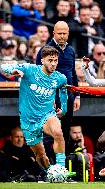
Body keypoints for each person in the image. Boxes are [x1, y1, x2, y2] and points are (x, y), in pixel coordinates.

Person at [0, 45, 73, 180]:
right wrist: (13, 70)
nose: (53, 63)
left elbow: (63, 92)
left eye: (55, 60)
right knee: (41, 156)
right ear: (42, 60)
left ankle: (61, 168)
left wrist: (64, 109)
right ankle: (53, 173)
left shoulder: (60, 78)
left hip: (47, 115)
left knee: (58, 132)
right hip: (28, 120)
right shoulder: (29, 70)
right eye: (50, 60)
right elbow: (3, 67)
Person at [36, 21, 80, 155]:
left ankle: (62, 167)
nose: (61, 36)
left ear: (68, 34)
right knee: (50, 133)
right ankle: (50, 169)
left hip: (68, 97)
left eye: (64, 33)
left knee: (65, 132)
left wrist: (77, 95)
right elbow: (38, 75)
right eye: (59, 33)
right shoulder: (45, 50)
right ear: (53, 33)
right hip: (50, 97)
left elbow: (73, 73)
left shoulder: (71, 51)